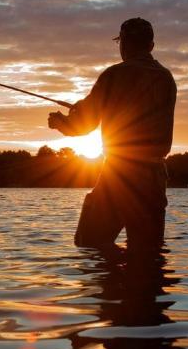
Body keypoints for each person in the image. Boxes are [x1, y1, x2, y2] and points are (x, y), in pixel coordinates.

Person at [48, 17, 177, 251]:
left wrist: (60, 122)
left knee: (89, 244)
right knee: (148, 253)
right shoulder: (166, 78)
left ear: (123, 44)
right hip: (155, 176)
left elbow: (82, 124)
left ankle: (112, 283)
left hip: (119, 175)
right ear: (151, 46)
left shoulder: (114, 75)